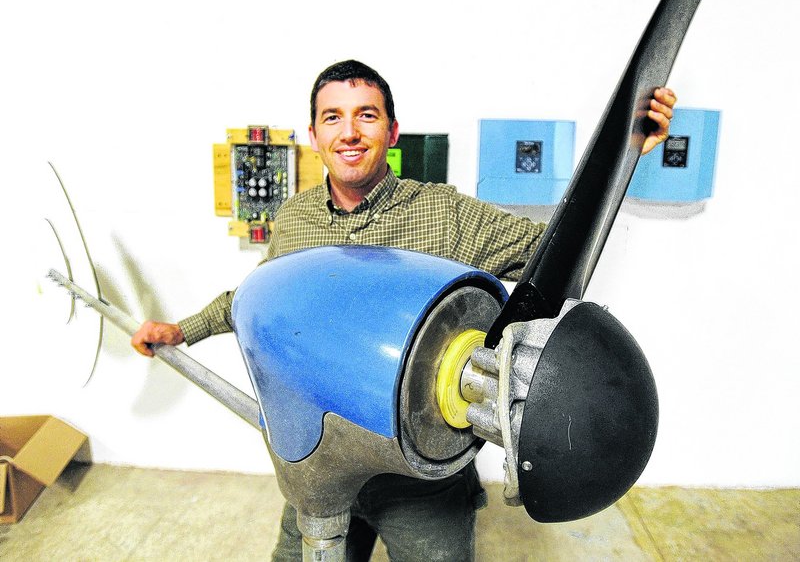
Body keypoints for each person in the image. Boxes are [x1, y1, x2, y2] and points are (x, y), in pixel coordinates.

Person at [132, 60, 676, 561]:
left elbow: (556, 253)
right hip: (320, 459)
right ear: (314, 134)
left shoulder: (443, 214)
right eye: (333, 118)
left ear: (391, 132)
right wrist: (182, 330)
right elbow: (255, 301)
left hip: (422, 483)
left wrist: (623, 160)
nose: (349, 132)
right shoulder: (295, 219)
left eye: (366, 116)